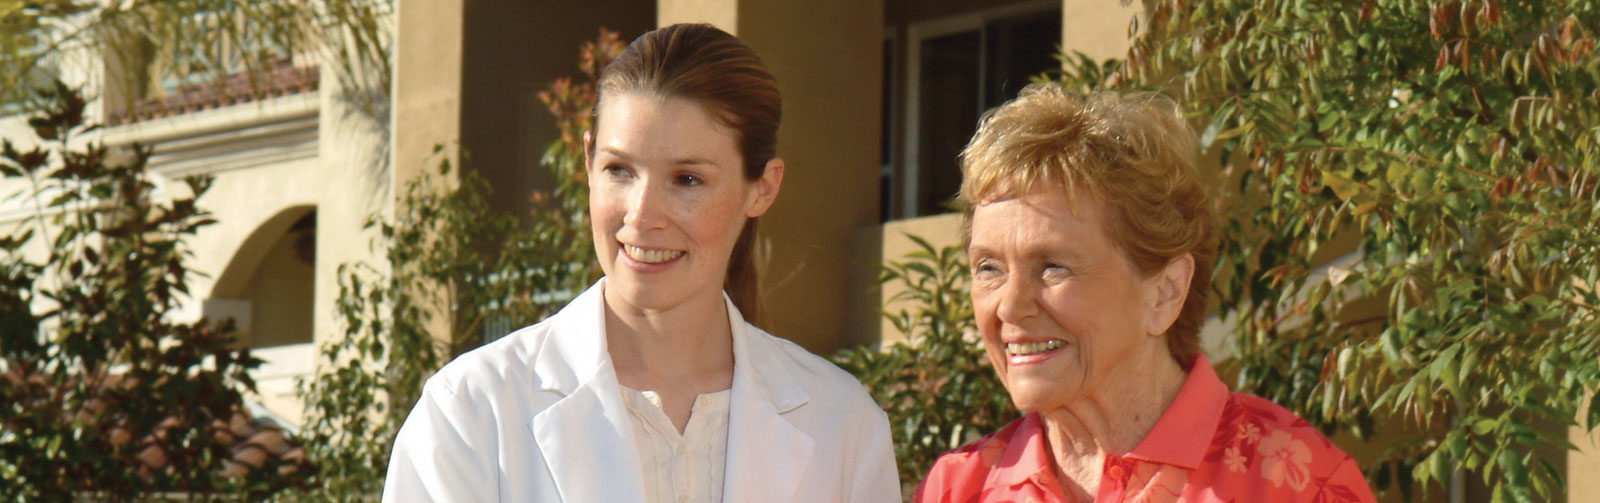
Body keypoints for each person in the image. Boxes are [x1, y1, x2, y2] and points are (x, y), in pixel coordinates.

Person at [381, 23, 899, 503]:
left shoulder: (842, 424)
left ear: (763, 187)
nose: (642, 214)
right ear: (587, 162)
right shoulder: (470, 412)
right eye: (619, 169)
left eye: (687, 179)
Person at [913, 85, 1375, 503]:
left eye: (1053, 266)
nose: (1011, 306)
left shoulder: (1297, 483)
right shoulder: (957, 489)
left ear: (1165, 292)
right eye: (988, 268)